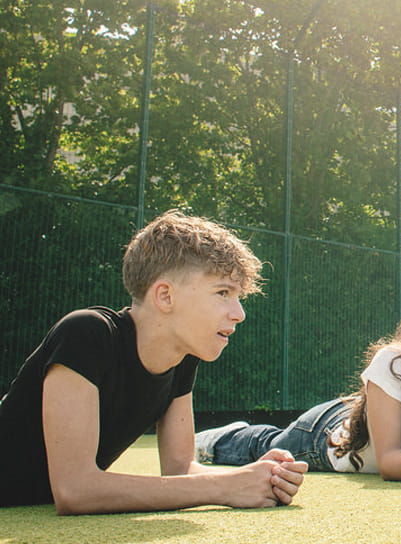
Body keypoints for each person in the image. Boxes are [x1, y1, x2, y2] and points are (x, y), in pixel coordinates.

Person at [0, 210, 307, 513]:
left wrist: (254, 476)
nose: (239, 313)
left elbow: (181, 471)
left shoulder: (183, 359)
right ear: (165, 296)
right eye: (223, 292)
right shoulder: (87, 333)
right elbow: (74, 489)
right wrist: (224, 487)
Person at [194, 278, 401, 487]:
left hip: (353, 413)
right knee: (266, 446)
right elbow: (388, 462)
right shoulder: (395, 364)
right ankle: (219, 438)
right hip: (325, 438)